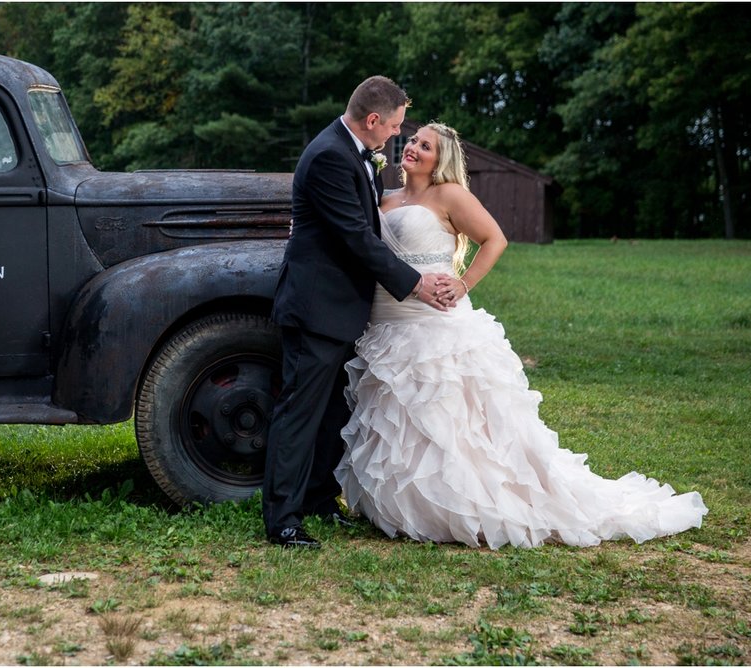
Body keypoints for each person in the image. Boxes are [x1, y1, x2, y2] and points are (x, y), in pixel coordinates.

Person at [334, 121, 708, 549]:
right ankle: (406, 506)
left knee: (448, 419)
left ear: (442, 160)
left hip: (434, 324)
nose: (414, 148)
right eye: (414, 141)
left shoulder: (450, 195)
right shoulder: (385, 198)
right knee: (398, 416)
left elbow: (495, 238)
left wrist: (463, 283)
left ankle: (463, 503)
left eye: (426, 146)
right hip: (386, 323)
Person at [262, 77, 455, 549]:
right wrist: (414, 283)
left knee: (331, 413)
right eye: (393, 126)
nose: (395, 135)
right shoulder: (330, 155)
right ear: (373, 120)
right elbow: (355, 235)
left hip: (340, 308)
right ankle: (283, 520)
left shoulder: (354, 152)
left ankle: (319, 500)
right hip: (316, 308)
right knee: (299, 414)